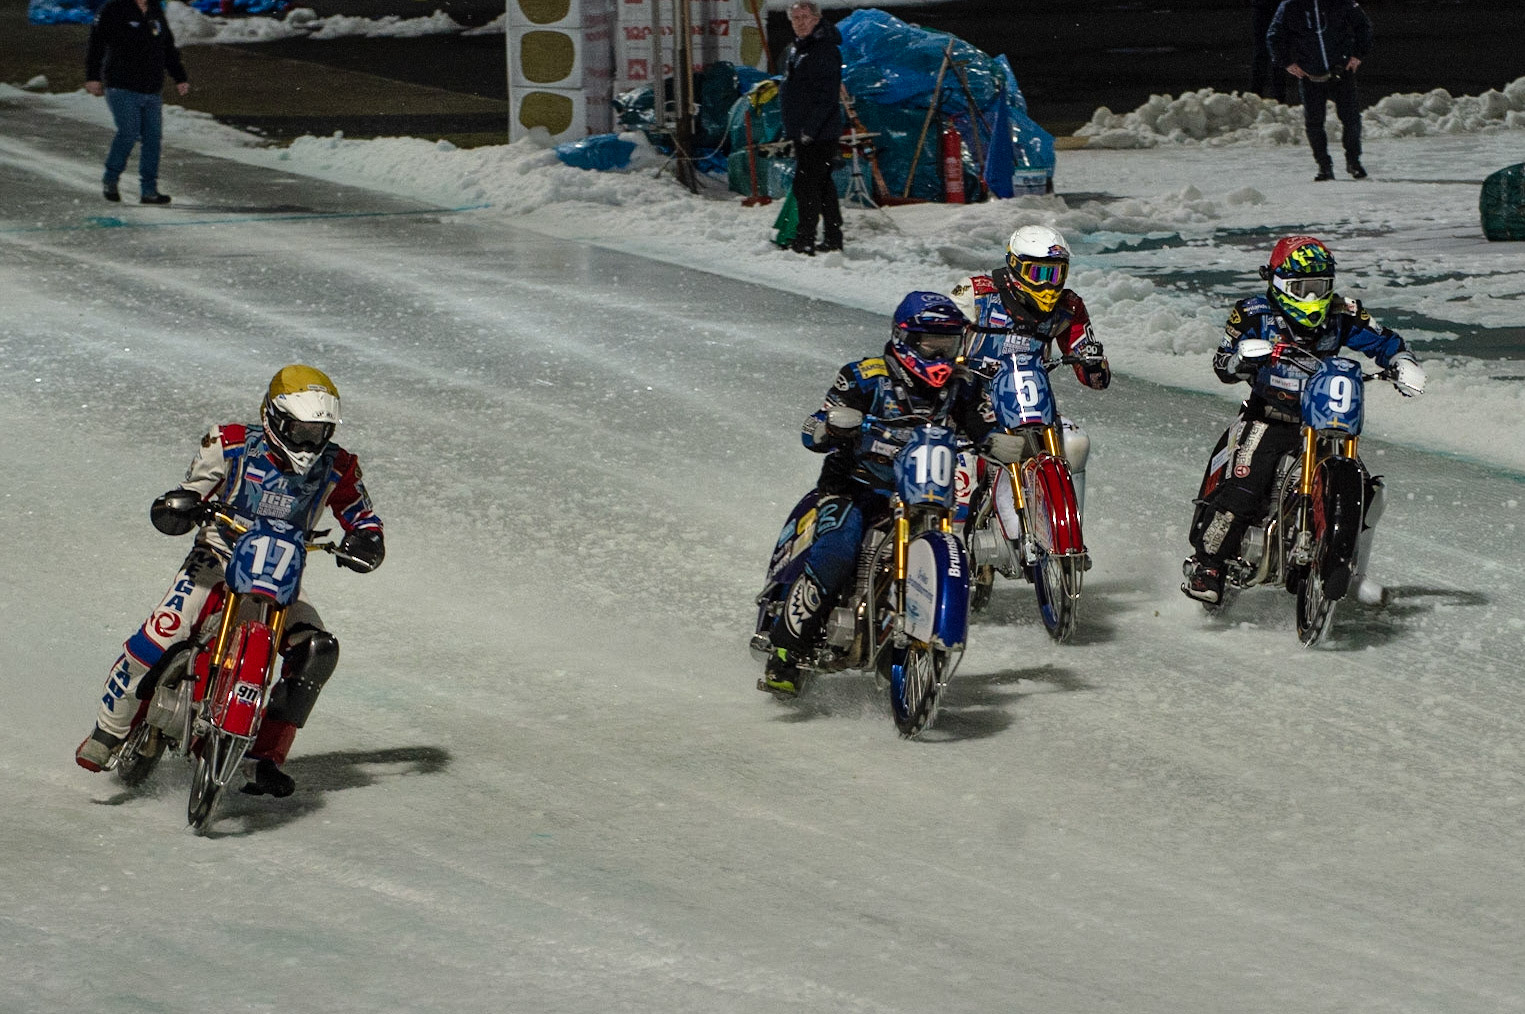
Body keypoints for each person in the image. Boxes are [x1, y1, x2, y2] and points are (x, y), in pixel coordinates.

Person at [75, 365, 385, 797]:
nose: (308, 443)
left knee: (317, 649)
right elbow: (189, 491)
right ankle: (109, 729)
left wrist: (367, 540)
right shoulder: (230, 444)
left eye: (318, 433)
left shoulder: (339, 466)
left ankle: (264, 756)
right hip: (215, 560)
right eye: (299, 430)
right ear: (273, 419)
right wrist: (181, 507)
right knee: (161, 635)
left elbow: (362, 515)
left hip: (280, 569)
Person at [759, 292, 1007, 697]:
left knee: (956, 551)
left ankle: (909, 633)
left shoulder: (962, 386)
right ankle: (785, 651)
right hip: (856, 488)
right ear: (905, 339)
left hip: (926, 496)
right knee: (838, 549)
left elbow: (983, 424)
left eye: (949, 344)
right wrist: (830, 427)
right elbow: (815, 424)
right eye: (932, 344)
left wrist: (999, 441)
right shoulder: (864, 376)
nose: (942, 354)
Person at [1182, 236, 1424, 606]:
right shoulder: (1253, 313)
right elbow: (1222, 362)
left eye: (1320, 287)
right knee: (1246, 484)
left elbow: (1384, 340)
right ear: (1279, 283)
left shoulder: (1343, 312)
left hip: (1326, 420)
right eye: (1302, 288)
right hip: (1268, 418)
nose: (1313, 297)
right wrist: (1242, 360)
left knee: (1366, 491)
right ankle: (1208, 565)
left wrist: (1401, 361)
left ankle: (1349, 570)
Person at [949, 224, 1110, 515]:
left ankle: (1068, 529)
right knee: (962, 481)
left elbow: (1095, 377)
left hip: (1030, 402)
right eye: (1038, 273)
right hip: (973, 401)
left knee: (1076, 443)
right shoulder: (976, 293)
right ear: (1015, 267)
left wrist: (1093, 363)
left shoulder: (1069, 307)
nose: (1048, 285)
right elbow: (938, 336)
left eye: (1056, 274)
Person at [84, 0, 190, 204]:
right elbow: (96, 43)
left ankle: (149, 190)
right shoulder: (114, 9)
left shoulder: (155, 10)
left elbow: (167, 46)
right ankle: (111, 177)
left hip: (151, 88)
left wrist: (179, 76)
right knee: (129, 132)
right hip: (121, 85)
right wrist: (93, 76)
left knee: (152, 138)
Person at [1267, 0, 1372, 181]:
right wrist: (1286, 62)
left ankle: (1354, 161)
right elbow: (1274, 35)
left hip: (1341, 71)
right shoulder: (1290, 5)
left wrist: (1357, 54)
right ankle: (1324, 166)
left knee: (1351, 119)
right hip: (1310, 75)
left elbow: (1363, 25)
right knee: (1314, 122)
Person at [779, 1, 844, 257]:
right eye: (795, 18)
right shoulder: (799, 48)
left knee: (806, 186)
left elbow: (827, 96)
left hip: (818, 133)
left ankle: (805, 239)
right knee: (822, 185)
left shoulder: (823, 50)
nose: (800, 23)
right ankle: (833, 237)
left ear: (817, 19)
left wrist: (810, 129)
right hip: (803, 130)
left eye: (805, 17)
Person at [1250, 0, 1288, 102]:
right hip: (1264, 7)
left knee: (1276, 52)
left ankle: (1278, 98)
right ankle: (1256, 96)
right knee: (1262, 53)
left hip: (1275, 7)